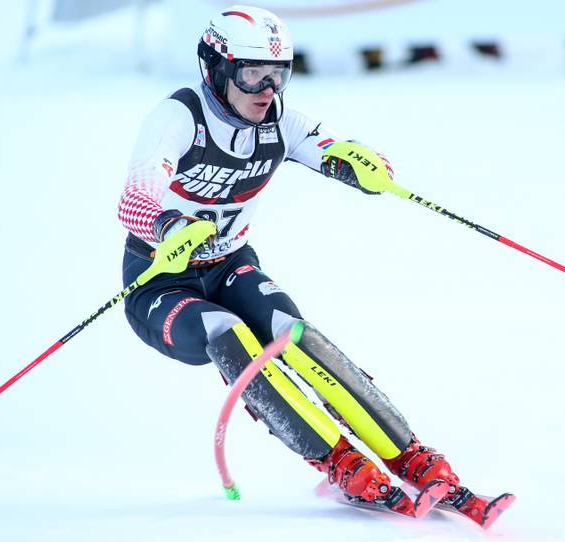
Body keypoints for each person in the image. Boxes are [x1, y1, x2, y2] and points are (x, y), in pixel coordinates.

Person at [118, 5, 485, 517]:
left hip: (228, 264)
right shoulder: (178, 117)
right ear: (216, 69)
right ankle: (338, 463)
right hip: (159, 283)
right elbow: (134, 198)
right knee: (226, 331)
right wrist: (169, 227)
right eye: (252, 74)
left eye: (279, 74)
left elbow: (330, 148)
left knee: (293, 333)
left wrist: (362, 164)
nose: (267, 89)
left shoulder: (279, 121)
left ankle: (412, 457)